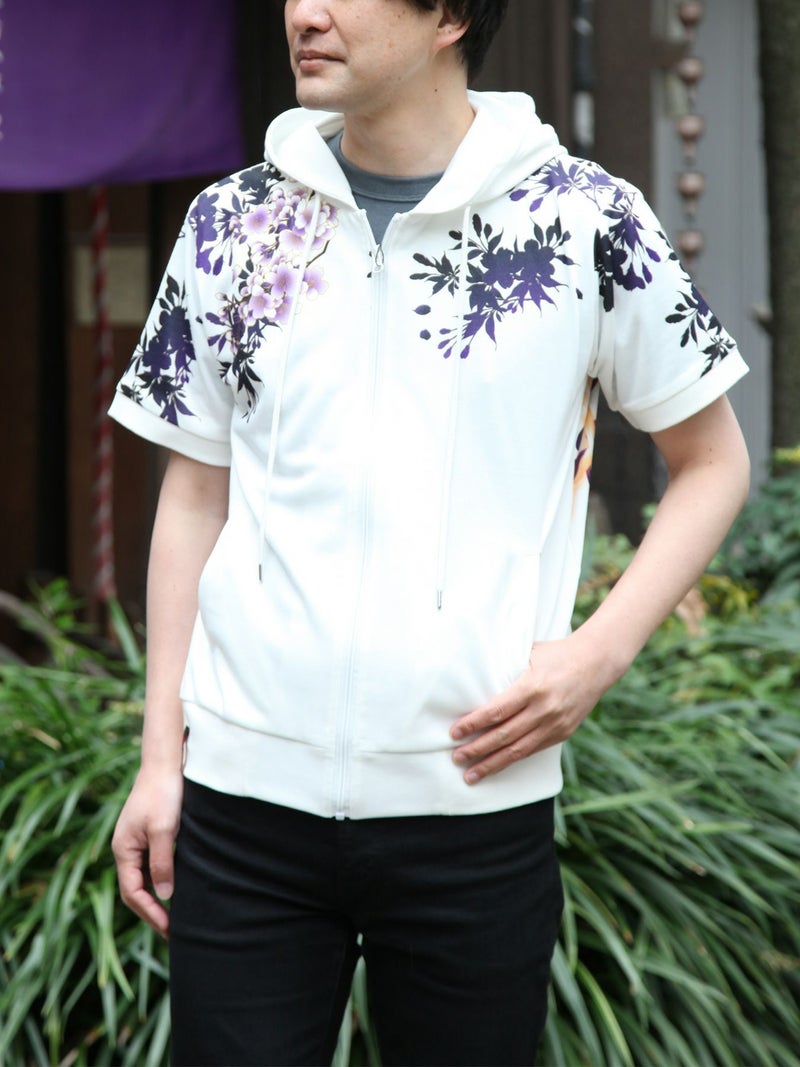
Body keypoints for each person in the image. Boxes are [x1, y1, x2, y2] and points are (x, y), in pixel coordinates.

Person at [110, 1, 751, 1064]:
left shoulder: (586, 220)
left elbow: (713, 460)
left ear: (449, 13)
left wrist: (596, 653)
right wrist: (159, 759)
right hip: (242, 805)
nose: (304, 13)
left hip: (473, 802)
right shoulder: (232, 220)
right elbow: (194, 495)